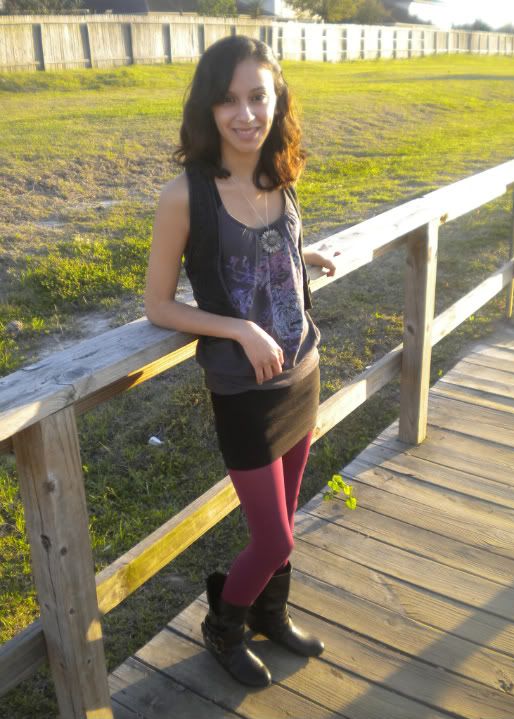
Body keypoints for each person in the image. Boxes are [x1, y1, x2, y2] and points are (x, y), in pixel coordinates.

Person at [145, 35, 339, 688]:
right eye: (228, 100)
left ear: (277, 98)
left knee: (287, 519)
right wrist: (239, 328)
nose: (246, 114)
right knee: (273, 537)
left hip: (302, 373)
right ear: (208, 107)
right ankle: (223, 625)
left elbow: (265, 245)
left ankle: (269, 613)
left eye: (258, 96)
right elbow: (157, 305)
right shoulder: (185, 195)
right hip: (244, 390)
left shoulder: (279, 172)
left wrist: (299, 255)